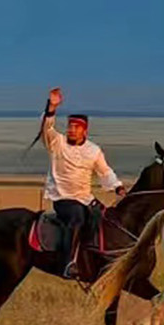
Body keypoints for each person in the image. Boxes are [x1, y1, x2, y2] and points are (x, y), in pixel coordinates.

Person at [40, 87, 126, 280]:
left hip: (85, 198)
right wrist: (51, 108)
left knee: (107, 218)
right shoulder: (57, 142)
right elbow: (46, 129)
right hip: (63, 198)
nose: (71, 129)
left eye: (76, 127)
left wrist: (118, 187)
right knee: (77, 218)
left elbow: (105, 171)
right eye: (70, 126)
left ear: (84, 130)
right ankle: (69, 263)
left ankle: (98, 261)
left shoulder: (93, 150)